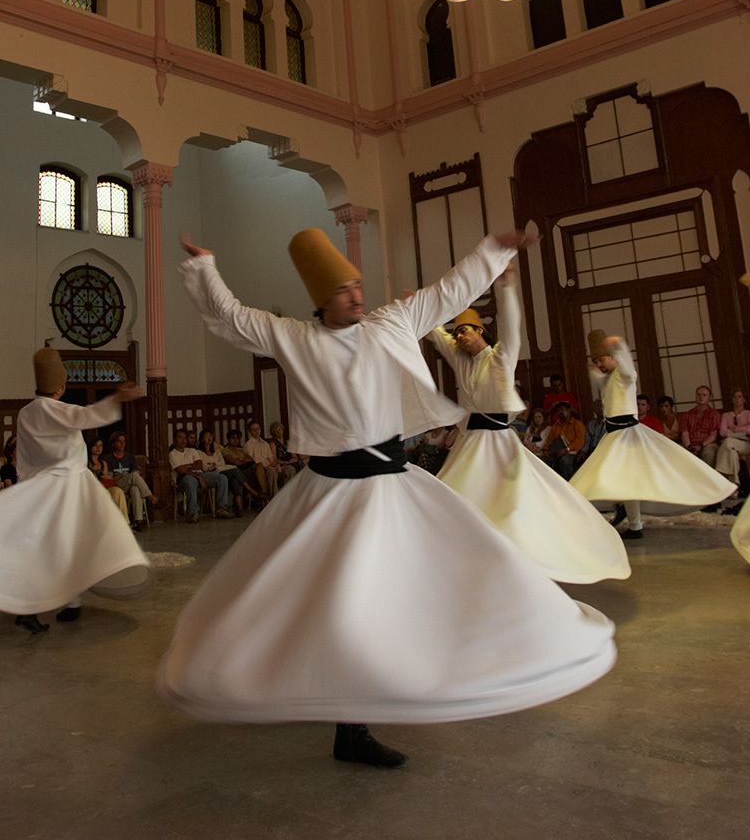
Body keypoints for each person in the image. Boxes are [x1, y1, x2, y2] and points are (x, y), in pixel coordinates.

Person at [158, 228, 616, 770]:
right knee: (338, 602)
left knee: (452, 570)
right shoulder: (293, 337)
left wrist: (496, 247)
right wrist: (207, 267)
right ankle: (349, 724)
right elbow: (232, 317)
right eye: (344, 289)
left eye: (357, 284)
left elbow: (451, 290)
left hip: (392, 483)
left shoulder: (390, 322)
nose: (357, 295)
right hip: (329, 492)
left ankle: (454, 661)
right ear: (320, 299)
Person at [432, 268, 629, 585]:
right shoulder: (461, 361)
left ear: (480, 331)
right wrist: (421, 306)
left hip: (498, 439)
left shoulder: (500, 357)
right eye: (456, 334)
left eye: (465, 331)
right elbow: (437, 336)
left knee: (513, 500)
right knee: (460, 497)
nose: (459, 337)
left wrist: (506, 286)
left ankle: (517, 558)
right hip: (471, 442)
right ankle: (469, 561)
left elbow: (512, 325)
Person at [0, 348, 149, 634]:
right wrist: (119, 397)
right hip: (68, 487)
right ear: (61, 387)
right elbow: (89, 416)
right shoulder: (59, 410)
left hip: (41, 486)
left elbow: (25, 456)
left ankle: (64, 602)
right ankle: (60, 602)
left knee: (50, 548)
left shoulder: (25, 413)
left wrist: (27, 485)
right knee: (69, 545)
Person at [570, 332, 733, 540]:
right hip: (612, 436)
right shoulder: (609, 379)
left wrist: (619, 346)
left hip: (627, 435)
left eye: (602, 360)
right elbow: (603, 384)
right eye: (596, 361)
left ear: (612, 358)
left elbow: (629, 369)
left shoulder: (624, 375)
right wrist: (595, 370)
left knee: (629, 479)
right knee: (624, 480)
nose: (599, 365)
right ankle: (632, 521)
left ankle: (631, 516)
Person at [169, 430, 232, 521]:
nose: (183, 440)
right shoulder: (172, 453)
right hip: (184, 478)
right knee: (190, 481)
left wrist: (188, 466)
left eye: (185, 438)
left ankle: (221, 509)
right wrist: (197, 476)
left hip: (200, 474)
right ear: (174, 439)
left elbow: (199, 464)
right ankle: (193, 513)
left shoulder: (192, 450)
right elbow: (181, 471)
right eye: (180, 437)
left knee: (222, 478)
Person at [109, 432, 157, 529]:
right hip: (116, 486)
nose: (122, 444)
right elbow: (111, 479)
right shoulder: (108, 458)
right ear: (113, 444)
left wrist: (123, 475)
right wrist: (122, 476)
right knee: (133, 476)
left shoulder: (130, 457)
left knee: (135, 489)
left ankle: (138, 521)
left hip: (129, 483)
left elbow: (137, 475)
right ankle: (151, 497)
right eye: (119, 441)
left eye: (124, 441)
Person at [715, 389, 750, 496]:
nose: (737, 399)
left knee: (728, 442)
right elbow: (722, 432)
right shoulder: (726, 415)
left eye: (739, 397)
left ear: (744, 399)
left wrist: (734, 430)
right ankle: (734, 487)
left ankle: (718, 475)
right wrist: (742, 431)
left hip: (745, 444)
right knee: (731, 453)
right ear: (731, 399)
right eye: (735, 397)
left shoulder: (748, 413)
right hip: (731, 445)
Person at [87, 437, 130, 522]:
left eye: (100, 446)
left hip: (103, 488)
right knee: (104, 493)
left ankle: (125, 523)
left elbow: (106, 480)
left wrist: (108, 478)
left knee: (118, 491)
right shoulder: (85, 462)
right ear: (90, 447)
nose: (98, 448)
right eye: (95, 445)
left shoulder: (103, 463)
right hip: (91, 489)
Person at [544, 402, 586, 480]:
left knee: (565, 461)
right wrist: (546, 450)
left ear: (569, 410)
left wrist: (567, 449)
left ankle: (570, 485)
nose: (560, 412)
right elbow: (549, 440)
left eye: (562, 410)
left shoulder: (577, 424)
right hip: (557, 453)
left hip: (573, 453)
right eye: (558, 411)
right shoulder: (555, 426)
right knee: (543, 461)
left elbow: (580, 440)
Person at [680, 387, 721, 466]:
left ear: (710, 398)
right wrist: (689, 446)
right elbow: (684, 432)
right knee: (678, 451)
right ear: (695, 397)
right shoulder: (687, 414)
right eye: (698, 394)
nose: (701, 397)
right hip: (690, 444)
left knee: (709, 453)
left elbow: (713, 435)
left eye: (704, 395)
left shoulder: (714, 414)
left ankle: (708, 477)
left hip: (707, 444)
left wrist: (701, 446)